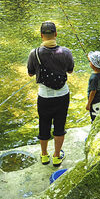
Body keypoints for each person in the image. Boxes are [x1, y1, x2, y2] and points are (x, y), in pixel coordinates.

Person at [27, 21, 74, 167]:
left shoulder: (34, 53)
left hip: (44, 96)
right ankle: (56, 156)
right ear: (56, 34)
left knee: (44, 124)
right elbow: (70, 70)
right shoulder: (66, 52)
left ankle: (44, 155)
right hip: (62, 95)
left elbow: (30, 73)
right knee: (60, 125)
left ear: (42, 36)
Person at [86, 51, 100, 122]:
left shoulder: (93, 78)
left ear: (93, 64)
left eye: (90, 61)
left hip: (95, 102)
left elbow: (93, 92)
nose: (89, 62)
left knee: (95, 118)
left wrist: (88, 104)